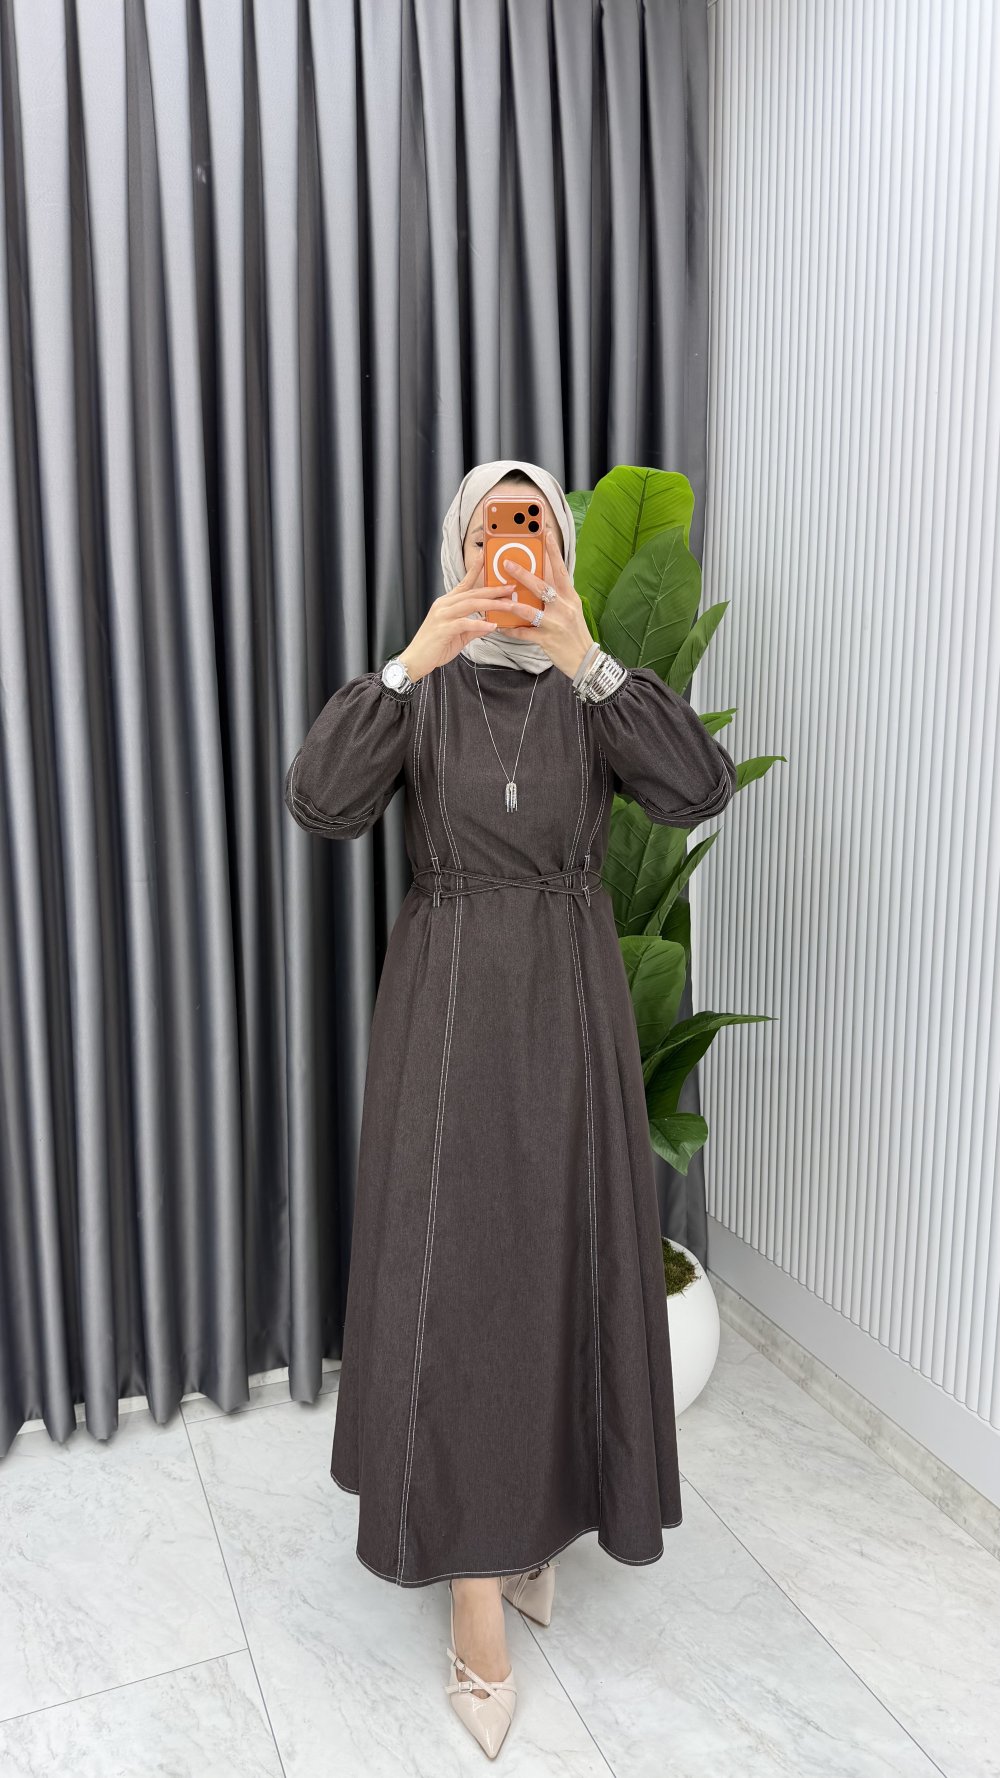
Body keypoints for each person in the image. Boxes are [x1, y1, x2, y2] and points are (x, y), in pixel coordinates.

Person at [283, 458, 738, 1759]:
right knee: (462, 1280)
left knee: (556, 1269)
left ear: (561, 546)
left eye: (535, 521)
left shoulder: (593, 692)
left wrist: (588, 657)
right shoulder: (423, 686)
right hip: (447, 1011)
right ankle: (473, 1590)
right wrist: (406, 665)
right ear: (461, 544)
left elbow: (698, 790)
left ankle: (535, 1532)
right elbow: (322, 801)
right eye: (494, 523)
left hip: (572, 1010)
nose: (515, 541)